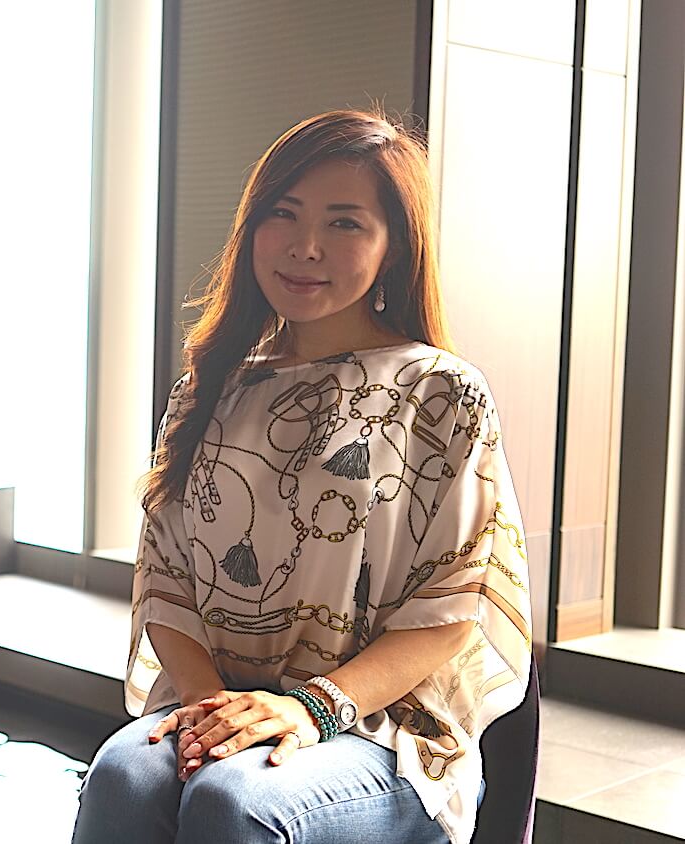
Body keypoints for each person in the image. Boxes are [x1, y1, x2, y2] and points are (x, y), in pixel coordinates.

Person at [71, 110, 531, 844]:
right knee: (123, 778)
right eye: (282, 214)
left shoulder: (441, 393)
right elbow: (166, 580)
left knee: (236, 800)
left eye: (344, 223)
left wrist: (311, 708)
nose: (304, 246)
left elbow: (453, 606)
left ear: (394, 245)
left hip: (382, 729)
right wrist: (211, 713)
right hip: (222, 698)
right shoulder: (209, 389)